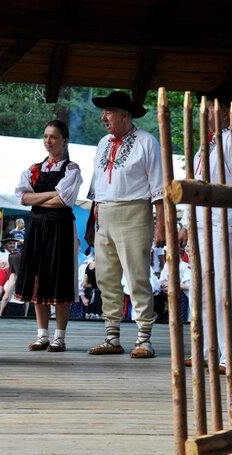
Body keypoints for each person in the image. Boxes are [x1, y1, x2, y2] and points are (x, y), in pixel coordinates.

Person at [85, 90, 165, 358]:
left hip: (135, 212)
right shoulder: (103, 143)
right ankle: (112, 337)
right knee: (106, 278)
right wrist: (90, 224)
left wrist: (161, 226)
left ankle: (144, 338)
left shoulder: (146, 142)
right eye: (104, 112)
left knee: (137, 276)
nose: (103, 117)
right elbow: (96, 189)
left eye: (108, 112)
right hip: (104, 214)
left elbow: (159, 189)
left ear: (124, 115)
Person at [15, 119, 83, 352]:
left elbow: (64, 200)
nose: (48, 141)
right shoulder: (35, 168)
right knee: (37, 277)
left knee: (60, 278)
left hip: (60, 227)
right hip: (37, 226)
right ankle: (42, 334)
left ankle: (59, 336)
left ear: (64, 141)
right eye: (45, 136)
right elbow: (22, 198)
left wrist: (38, 197)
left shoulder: (71, 168)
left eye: (53, 137)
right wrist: (51, 194)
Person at [179, 86, 232, 375]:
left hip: (224, 224)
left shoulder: (231, 140)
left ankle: (227, 353)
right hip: (201, 224)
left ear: (225, 111)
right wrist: (187, 224)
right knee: (201, 289)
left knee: (223, 289)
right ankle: (206, 350)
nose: (205, 113)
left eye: (209, 107)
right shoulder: (206, 144)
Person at [0, 251, 25, 317]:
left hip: (11, 306)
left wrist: (0, 312)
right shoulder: (24, 276)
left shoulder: (13, 276)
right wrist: (25, 313)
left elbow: (7, 296)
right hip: (22, 306)